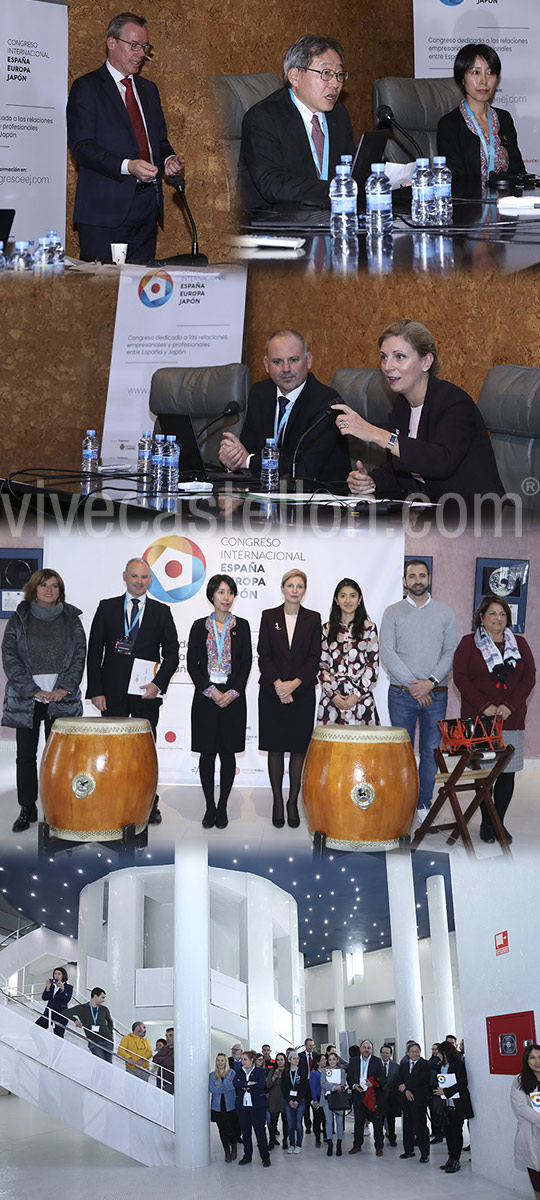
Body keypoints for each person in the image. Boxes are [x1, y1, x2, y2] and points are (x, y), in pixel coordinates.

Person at [332, 319, 505, 504]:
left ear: (426, 361)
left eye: (399, 357)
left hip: (479, 516)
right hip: (430, 515)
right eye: (383, 357)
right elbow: (402, 470)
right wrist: (371, 481)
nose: (387, 366)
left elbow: (441, 462)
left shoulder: (454, 402)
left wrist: (374, 433)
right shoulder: (402, 406)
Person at [67, 10, 185, 262]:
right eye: (133, 45)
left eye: (144, 47)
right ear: (112, 42)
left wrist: (168, 161)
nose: (141, 53)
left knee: (139, 296)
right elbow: (82, 148)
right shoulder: (87, 87)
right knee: (102, 297)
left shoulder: (148, 90)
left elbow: (159, 142)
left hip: (146, 212)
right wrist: (128, 166)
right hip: (104, 214)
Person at [86, 557, 179, 825]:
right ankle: (114, 798)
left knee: (145, 752)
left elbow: (171, 654)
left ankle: (149, 803)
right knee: (113, 751)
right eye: (135, 576)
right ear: (124, 576)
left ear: (150, 580)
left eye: (145, 577)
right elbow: (95, 653)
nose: (140, 581)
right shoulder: (107, 608)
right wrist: (96, 690)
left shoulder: (162, 612)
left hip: (146, 693)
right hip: (111, 693)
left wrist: (157, 684)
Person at [1, 568, 86, 833]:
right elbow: (10, 655)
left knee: (59, 759)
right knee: (26, 755)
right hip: (27, 698)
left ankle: (57, 807)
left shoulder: (72, 618)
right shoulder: (20, 618)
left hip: (61, 698)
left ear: (60, 590)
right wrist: (31, 689)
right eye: (43, 585)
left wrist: (64, 688)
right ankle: (28, 807)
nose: (49, 590)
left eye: (54, 586)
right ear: (34, 589)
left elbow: (79, 655)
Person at [237, 34, 356, 210]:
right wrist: (335, 189)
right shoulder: (264, 117)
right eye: (326, 73)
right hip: (274, 222)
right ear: (295, 76)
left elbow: (352, 167)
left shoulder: (338, 114)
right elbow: (273, 185)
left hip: (325, 215)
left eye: (339, 74)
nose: (335, 84)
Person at [452, 595, 535, 844]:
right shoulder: (469, 643)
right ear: (481, 617)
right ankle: (487, 824)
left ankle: (498, 822)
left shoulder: (519, 643)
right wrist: (484, 706)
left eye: (502, 614)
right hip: (480, 719)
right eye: (492, 614)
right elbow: (460, 677)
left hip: (511, 718)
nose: (498, 618)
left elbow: (529, 677)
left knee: (507, 772)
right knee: (484, 773)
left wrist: (509, 706)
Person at [219, 329, 350, 485]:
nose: (286, 369)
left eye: (294, 360)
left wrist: (247, 461)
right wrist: (233, 457)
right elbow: (248, 449)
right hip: (268, 495)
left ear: (308, 361)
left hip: (319, 501)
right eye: (277, 362)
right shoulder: (260, 393)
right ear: (266, 365)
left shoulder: (327, 402)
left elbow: (302, 470)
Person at [380, 559, 458, 818]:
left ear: (429, 578)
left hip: (435, 694)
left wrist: (430, 683)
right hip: (402, 694)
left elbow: (450, 652)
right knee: (402, 753)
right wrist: (416, 686)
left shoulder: (445, 612)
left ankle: (423, 804)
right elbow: (387, 652)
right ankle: (402, 804)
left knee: (429, 752)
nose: (417, 580)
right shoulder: (392, 612)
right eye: (411, 576)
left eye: (422, 575)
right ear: (404, 581)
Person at [187, 574, 252, 830]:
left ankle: (223, 805)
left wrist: (232, 692)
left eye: (230, 592)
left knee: (227, 753)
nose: (226, 597)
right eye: (221, 592)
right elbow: (192, 664)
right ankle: (209, 806)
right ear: (212, 596)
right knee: (207, 753)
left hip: (233, 698)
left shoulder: (243, 626)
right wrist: (210, 691)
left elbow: (246, 662)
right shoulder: (198, 626)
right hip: (206, 698)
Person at [257, 570, 321, 829]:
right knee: (275, 747)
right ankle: (276, 801)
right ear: (282, 588)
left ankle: (293, 801)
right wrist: (279, 686)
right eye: (290, 585)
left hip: (302, 693)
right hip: (272, 692)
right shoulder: (268, 616)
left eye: (300, 586)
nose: (295, 590)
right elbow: (264, 655)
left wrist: (294, 685)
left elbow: (314, 658)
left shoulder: (314, 619)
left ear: (305, 590)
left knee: (298, 749)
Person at [437, 43, 525, 188]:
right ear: (462, 79)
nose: (484, 81)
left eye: (490, 72)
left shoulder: (504, 119)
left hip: (508, 204)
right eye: (476, 72)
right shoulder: (449, 125)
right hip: (471, 206)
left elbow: (518, 171)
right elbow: (456, 182)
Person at [318, 577, 379, 725]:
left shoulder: (369, 628)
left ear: (359, 599)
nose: (348, 600)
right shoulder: (326, 629)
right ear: (336, 600)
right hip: (332, 700)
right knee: (331, 747)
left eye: (353, 595)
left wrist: (356, 696)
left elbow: (372, 667)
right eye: (343, 595)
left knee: (362, 747)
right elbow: (321, 665)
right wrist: (333, 695)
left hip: (361, 700)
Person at [433, 1040, 474, 1174]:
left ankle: (456, 1160)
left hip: (458, 1105)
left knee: (456, 1133)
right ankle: (451, 1158)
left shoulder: (458, 1065)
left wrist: (446, 1092)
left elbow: (462, 1083)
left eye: (440, 1053)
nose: (437, 1055)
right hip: (446, 1105)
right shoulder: (441, 1066)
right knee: (449, 1134)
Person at [347, 1039, 386, 1155]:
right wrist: (354, 1085)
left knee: (377, 1123)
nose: (366, 1050)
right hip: (358, 1095)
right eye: (364, 1047)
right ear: (360, 1048)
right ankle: (357, 1145)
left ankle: (379, 1146)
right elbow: (349, 1077)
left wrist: (373, 1084)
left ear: (372, 1050)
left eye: (369, 1048)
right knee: (358, 1122)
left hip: (372, 1096)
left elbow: (383, 1079)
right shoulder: (353, 1061)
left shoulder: (377, 1061)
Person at [511, 1044, 540, 1197]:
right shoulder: (520, 1080)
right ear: (526, 1060)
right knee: (538, 1180)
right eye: (532, 1057)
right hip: (532, 1134)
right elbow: (521, 1107)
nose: (537, 1061)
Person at [234, 1049, 271, 1167]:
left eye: (245, 1059)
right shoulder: (239, 1072)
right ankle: (247, 1156)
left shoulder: (260, 1071)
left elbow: (260, 1086)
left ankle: (265, 1157)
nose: (242, 1061)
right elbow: (236, 1083)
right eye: (242, 1059)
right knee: (246, 1133)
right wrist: (249, 1084)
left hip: (258, 1107)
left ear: (252, 1060)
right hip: (243, 1107)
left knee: (260, 1132)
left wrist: (246, 1086)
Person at [397, 1042, 431, 1162]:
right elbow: (399, 1080)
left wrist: (406, 1085)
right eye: (412, 1051)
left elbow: (422, 1079)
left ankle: (424, 1153)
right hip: (406, 1101)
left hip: (419, 1100)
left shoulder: (425, 1064)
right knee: (407, 1126)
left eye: (417, 1051)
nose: (415, 1053)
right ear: (408, 1053)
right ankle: (408, 1150)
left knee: (421, 1126)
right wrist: (405, 1090)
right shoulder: (404, 1065)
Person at [69, 987, 114, 1063]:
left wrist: (110, 1036)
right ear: (95, 996)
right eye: (102, 997)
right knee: (101, 1063)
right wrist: (75, 1020)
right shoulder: (82, 1008)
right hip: (94, 1041)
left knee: (108, 1064)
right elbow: (66, 1012)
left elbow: (110, 1022)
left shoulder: (104, 1009)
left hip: (107, 1040)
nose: (103, 1000)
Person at [209, 1052, 238, 1162]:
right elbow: (212, 1089)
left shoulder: (232, 1073)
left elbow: (233, 1086)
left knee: (230, 1129)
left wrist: (220, 1087)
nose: (220, 1062)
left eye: (222, 1060)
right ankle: (227, 1152)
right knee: (222, 1130)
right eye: (218, 1060)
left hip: (230, 1106)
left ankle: (234, 1147)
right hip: (217, 1107)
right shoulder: (212, 1075)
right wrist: (225, 1087)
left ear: (226, 1062)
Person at [321, 1050, 349, 1156]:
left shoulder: (341, 1071)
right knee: (328, 1121)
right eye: (330, 1059)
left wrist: (337, 1086)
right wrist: (334, 1086)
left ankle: (339, 1144)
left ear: (337, 1061)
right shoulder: (324, 1070)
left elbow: (342, 1084)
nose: (332, 1061)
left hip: (338, 1098)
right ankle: (330, 1144)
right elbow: (323, 1083)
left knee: (339, 1121)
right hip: (327, 1099)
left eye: (334, 1059)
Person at [281, 1051, 309, 1153]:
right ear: (289, 1060)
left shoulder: (302, 1072)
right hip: (288, 1101)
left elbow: (304, 1088)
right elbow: (283, 1089)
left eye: (298, 1058)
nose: (296, 1060)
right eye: (294, 1058)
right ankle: (291, 1144)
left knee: (298, 1124)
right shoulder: (285, 1073)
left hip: (300, 1101)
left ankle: (298, 1145)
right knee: (290, 1124)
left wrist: (297, 1100)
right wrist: (289, 1100)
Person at [35, 967, 73, 1038]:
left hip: (60, 1015)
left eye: (59, 974)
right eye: (55, 974)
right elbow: (44, 998)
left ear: (63, 975)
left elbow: (67, 999)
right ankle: (43, 1049)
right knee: (34, 1030)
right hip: (48, 1013)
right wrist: (48, 987)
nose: (56, 976)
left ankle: (58, 1050)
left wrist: (62, 989)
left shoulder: (68, 987)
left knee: (58, 1038)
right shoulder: (51, 985)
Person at [266, 1052, 289, 1150]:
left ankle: (285, 1141)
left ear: (285, 1060)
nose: (280, 1062)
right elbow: (267, 1085)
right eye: (278, 1060)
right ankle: (271, 1140)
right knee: (273, 1122)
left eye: (281, 1059)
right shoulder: (272, 1071)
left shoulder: (288, 1071)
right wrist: (274, 1077)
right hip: (274, 1098)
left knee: (285, 1122)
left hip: (285, 1099)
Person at [379, 1044, 400, 1147]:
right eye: (383, 1053)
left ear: (390, 1054)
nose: (385, 1055)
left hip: (391, 1097)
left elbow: (398, 1080)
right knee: (379, 1120)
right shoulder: (376, 1065)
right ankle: (379, 1140)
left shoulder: (396, 1066)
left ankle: (392, 1137)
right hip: (379, 1096)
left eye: (387, 1053)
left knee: (391, 1119)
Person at [310, 1052, 326, 1147]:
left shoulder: (326, 1071)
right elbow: (312, 1087)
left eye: (325, 1059)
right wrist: (314, 1100)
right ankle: (317, 1139)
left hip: (326, 1097)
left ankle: (325, 1137)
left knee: (326, 1118)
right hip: (318, 1098)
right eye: (323, 1060)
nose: (325, 1061)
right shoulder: (314, 1073)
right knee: (317, 1119)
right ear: (317, 1062)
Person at [153, 1027, 174, 1092]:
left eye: (170, 1035)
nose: (168, 1038)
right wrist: (166, 1059)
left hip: (171, 1083)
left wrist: (161, 1060)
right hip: (160, 1081)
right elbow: (154, 1059)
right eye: (166, 1036)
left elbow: (171, 1063)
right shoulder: (164, 1048)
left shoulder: (178, 1049)